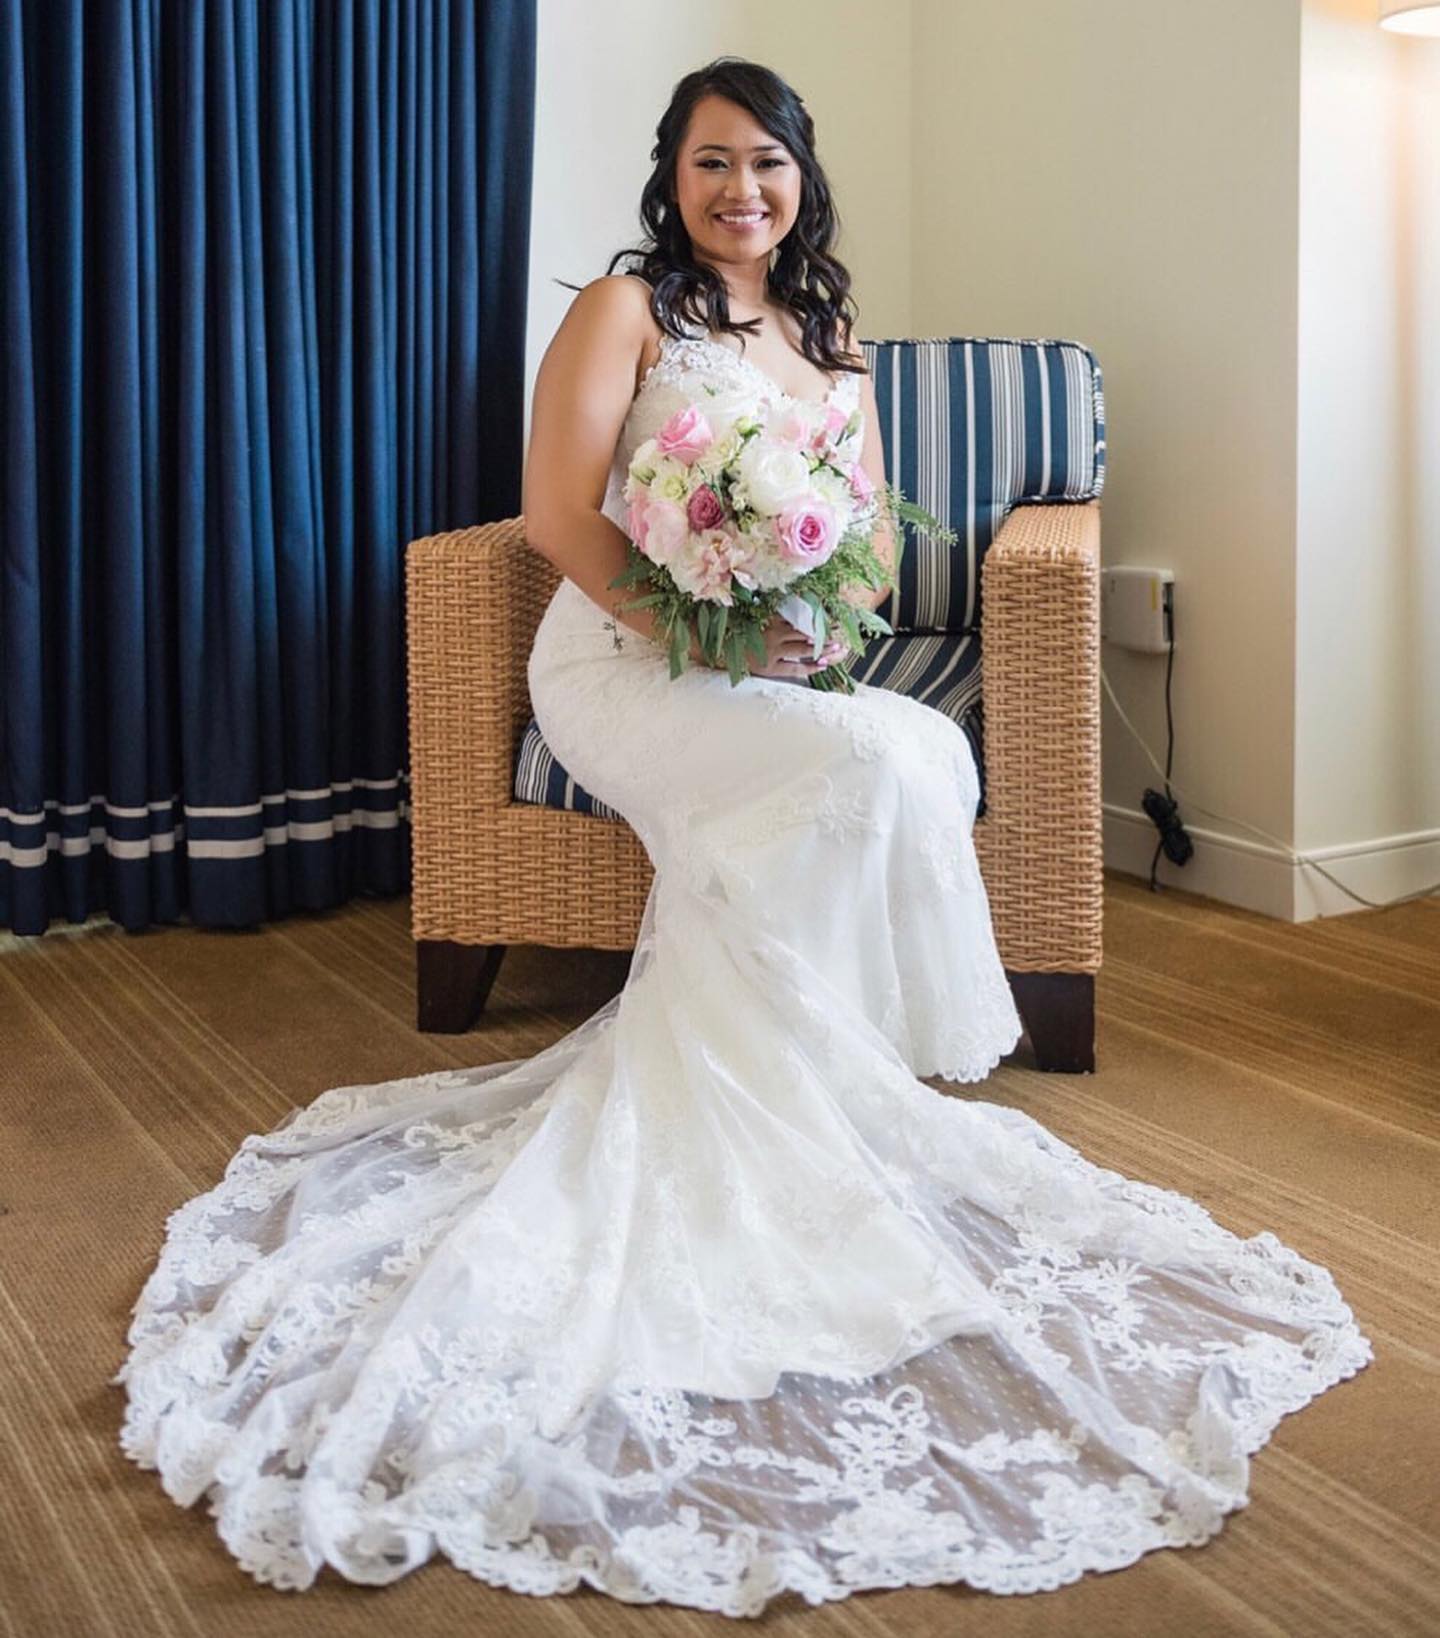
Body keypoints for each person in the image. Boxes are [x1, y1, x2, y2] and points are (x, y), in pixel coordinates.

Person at [112, 57, 1372, 1617]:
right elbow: (559, 514)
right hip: (616, 664)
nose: (741, 193)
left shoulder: (830, 343)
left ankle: (823, 1085)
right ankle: (809, 1091)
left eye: (765, 165)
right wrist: (693, 620)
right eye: (712, 164)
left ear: (799, 180)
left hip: (756, 663)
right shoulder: (624, 311)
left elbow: (850, 542)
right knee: (877, 770)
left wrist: (801, 628)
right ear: (673, 175)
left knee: (910, 752)